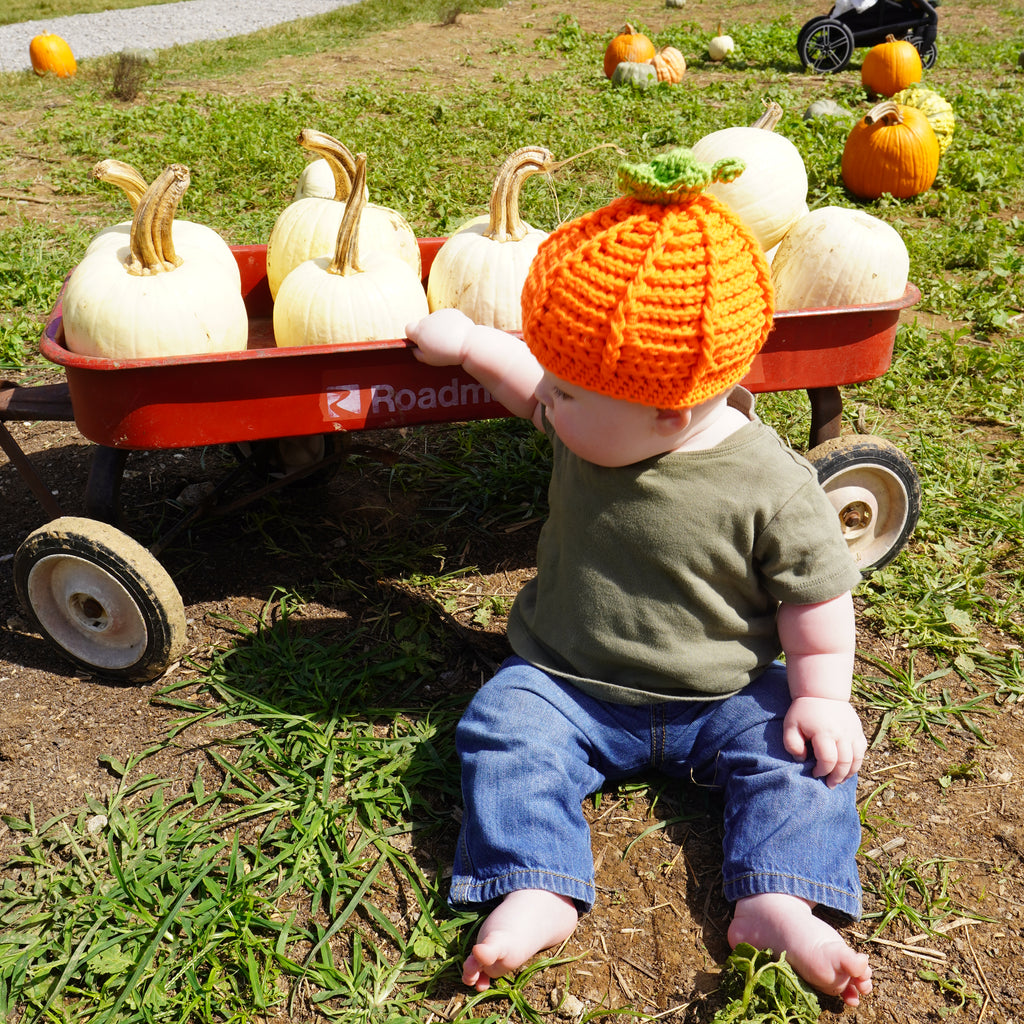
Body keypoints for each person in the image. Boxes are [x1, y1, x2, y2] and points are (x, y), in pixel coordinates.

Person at [405, 148, 872, 1007]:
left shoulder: (770, 485)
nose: (550, 398)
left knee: (805, 763)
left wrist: (820, 695)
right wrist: (471, 343)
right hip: (569, 682)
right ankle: (534, 882)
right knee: (503, 730)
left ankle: (777, 895)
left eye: (568, 391)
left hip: (725, 693)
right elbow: (526, 387)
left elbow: (817, 597)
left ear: (670, 408)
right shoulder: (600, 415)